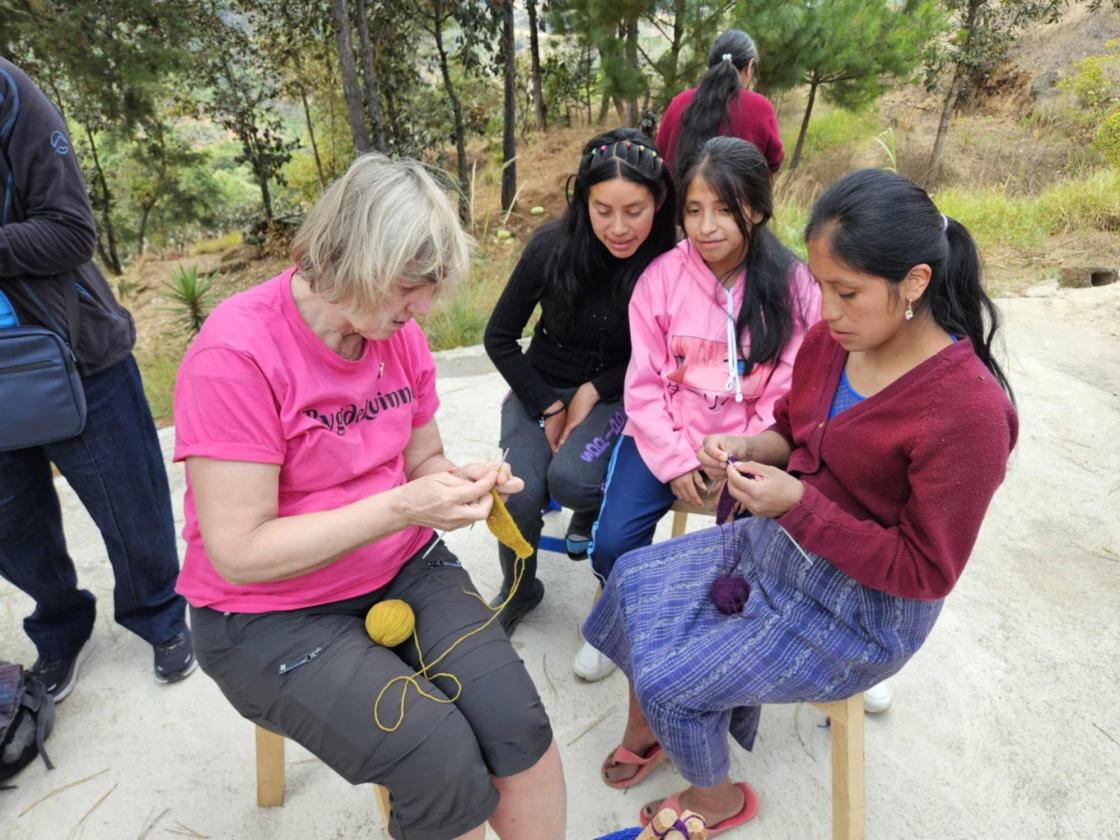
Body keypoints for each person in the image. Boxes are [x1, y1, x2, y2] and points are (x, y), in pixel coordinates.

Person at [584, 168, 1018, 832]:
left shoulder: (967, 414)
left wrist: (796, 506)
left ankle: (716, 799)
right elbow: (793, 428)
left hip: (864, 609)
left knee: (677, 677)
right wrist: (754, 447)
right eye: (819, 287)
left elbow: (924, 572)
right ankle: (654, 726)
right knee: (633, 578)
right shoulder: (834, 341)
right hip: (783, 542)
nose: (827, 309)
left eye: (846, 292)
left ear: (916, 283)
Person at [175, 153, 565, 840]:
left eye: (431, 288)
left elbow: (423, 459)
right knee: (439, 759)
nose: (423, 309)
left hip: (401, 565)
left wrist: (459, 480)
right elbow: (238, 551)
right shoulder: (235, 356)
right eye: (409, 287)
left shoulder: (397, 337)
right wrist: (404, 507)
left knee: (516, 720)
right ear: (351, 258)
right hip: (268, 614)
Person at [575, 137, 819, 682]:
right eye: (693, 210)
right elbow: (641, 385)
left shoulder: (793, 285)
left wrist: (742, 456)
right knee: (613, 540)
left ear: (756, 208)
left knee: (781, 543)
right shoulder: (661, 278)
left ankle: (824, 644)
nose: (706, 226)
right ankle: (612, 619)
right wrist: (679, 459)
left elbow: (791, 386)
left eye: (725, 209)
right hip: (667, 440)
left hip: (754, 447)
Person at [0, 57, 195, 701]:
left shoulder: (9, 96)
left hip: (74, 351)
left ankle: (159, 614)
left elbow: (70, 232)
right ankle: (59, 630)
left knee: (128, 498)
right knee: (11, 526)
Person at [482, 128, 676, 636]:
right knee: (516, 493)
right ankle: (520, 589)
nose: (618, 227)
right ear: (583, 201)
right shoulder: (550, 248)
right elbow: (499, 337)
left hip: (617, 394)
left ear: (658, 201)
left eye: (634, 210)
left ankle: (591, 514)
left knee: (573, 480)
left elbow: (662, 355)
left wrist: (595, 389)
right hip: (539, 388)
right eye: (602, 209)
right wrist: (548, 405)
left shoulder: (670, 263)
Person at [655, 30, 784, 178]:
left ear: (711, 64)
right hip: (737, 199)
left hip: (680, 199)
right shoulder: (761, 108)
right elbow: (774, 161)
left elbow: (660, 155)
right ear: (750, 66)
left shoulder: (680, 102)